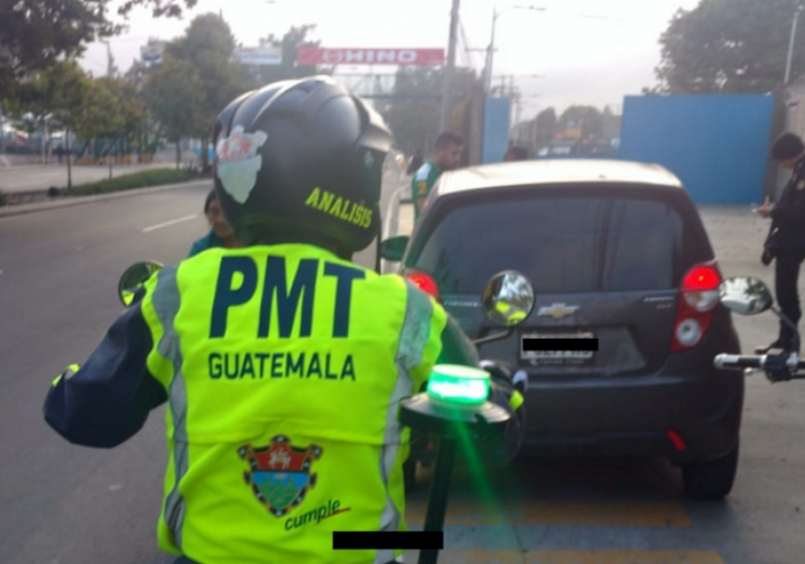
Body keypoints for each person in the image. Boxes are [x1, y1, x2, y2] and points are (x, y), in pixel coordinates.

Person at [43, 77, 523, 564]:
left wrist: (67, 384)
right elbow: (492, 435)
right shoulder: (403, 311)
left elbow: (85, 416)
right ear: (352, 184)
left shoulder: (180, 292)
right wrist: (500, 388)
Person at [755, 132, 805, 351]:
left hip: (795, 240)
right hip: (790, 238)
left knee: (786, 292)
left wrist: (773, 211)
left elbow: (802, 213)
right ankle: (786, 337)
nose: (782, 166)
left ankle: (790, 340)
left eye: (782, 160)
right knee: (785, 291)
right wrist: (775, 210)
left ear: (790, 155)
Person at [411, 133, 464, 222]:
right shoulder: (423, 176)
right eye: (454, 153)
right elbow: (425, 211)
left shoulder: (448, 174)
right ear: (438, 151)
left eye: (459, 154)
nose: (457, 159)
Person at [188, 189, 240, 256]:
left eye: (228, 212)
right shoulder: (201, 250)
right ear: (208, 216)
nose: (220, 220)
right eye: (214, 212)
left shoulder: (255, 242)